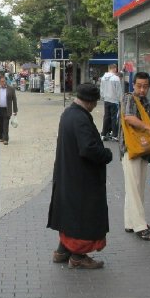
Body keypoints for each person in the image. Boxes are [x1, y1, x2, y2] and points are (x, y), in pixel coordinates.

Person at [47, 83, 113, 269]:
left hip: (68, 174)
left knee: (68, 215)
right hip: (81, 178)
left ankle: (62, 251)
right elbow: (88, 149)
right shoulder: (81, 118)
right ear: (91, 102)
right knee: (82, 217)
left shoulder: (68, 114)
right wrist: (106, 154)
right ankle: (78, 255)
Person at [119, 71, 150, 241]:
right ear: (133, 85)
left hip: (140, 150)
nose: (142, 89)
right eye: (139, 86)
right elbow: (129, 118)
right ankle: (140, 226)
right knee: (135, 189)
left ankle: (130, 222)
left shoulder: (145, 102)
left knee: (135, 187)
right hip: (130, 149)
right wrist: (149, 129)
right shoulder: (129, 98)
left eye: (145, 86)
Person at [0, 75, 18, 145]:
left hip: (7, 109)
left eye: (5, 81)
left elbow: (14, 100)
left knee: (5, 124)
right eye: (2, 81)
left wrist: (15, 110)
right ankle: (1, 137)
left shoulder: (11, 89)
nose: (4, 83)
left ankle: (6, 139)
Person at [99, 64, 122, 141]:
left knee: (106, 116)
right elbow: (119, 91)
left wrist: (103, 97)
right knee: (114, 118)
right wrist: (120, 99)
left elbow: (101, 89)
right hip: (114, 100)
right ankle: (114, 135)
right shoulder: (116, 78)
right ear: (115, 69)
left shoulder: (103, 78)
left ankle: (103, 134)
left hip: (106, 99)